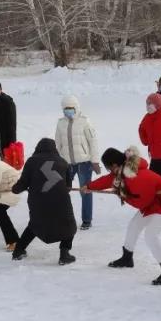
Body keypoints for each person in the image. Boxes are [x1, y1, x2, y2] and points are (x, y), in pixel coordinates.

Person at [87, 146, 161, 285]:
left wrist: (122, 194)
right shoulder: (123, 170)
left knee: (151, 235)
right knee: (133, 226)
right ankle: (127, 258)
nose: (109, 171)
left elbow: (141, 202)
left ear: (114, 165)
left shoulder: (135, 177)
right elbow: (109, 179)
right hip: (152, 202)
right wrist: (89, 187)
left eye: (108, 167)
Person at [11, 138, 77, 265]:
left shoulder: (31, 161)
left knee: (35, 225)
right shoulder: (63, 162)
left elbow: (23, 183)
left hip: (38, 201)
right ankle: (64, 254)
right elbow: (68, 186)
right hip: (61, 201)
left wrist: (15, 189)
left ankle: (18, 251)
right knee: (68, 225)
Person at [54, 95, 100, 230]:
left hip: (84, 163)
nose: (68, 110)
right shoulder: (60, 123)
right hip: (66, 163)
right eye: (66, 108)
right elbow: (57, 143)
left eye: (71, 108)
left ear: (76, 107)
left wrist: (95, 161)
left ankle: (86, 219)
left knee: (85, 191)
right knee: (61, 190)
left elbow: (93, 142)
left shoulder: (85, 121)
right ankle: (61, 217)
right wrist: (57, 160)